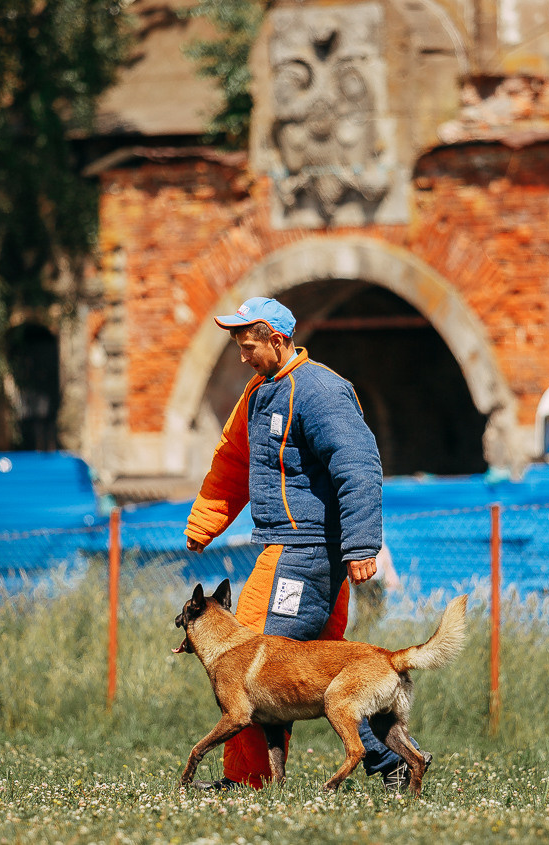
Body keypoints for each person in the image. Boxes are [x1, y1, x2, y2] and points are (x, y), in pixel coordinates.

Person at [183, 296, 427, 791]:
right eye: (237, 346)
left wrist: (361, 545)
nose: (242, 356)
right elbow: (233, 463)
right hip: (293, 550)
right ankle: (393, 762)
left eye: (248, 346)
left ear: (277, 339)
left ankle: (248, 781)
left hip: (303, 554)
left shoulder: (320, 391)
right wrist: (204, 523)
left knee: (245, 660)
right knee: (322, 673)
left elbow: (357, 464)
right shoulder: (259, 393)